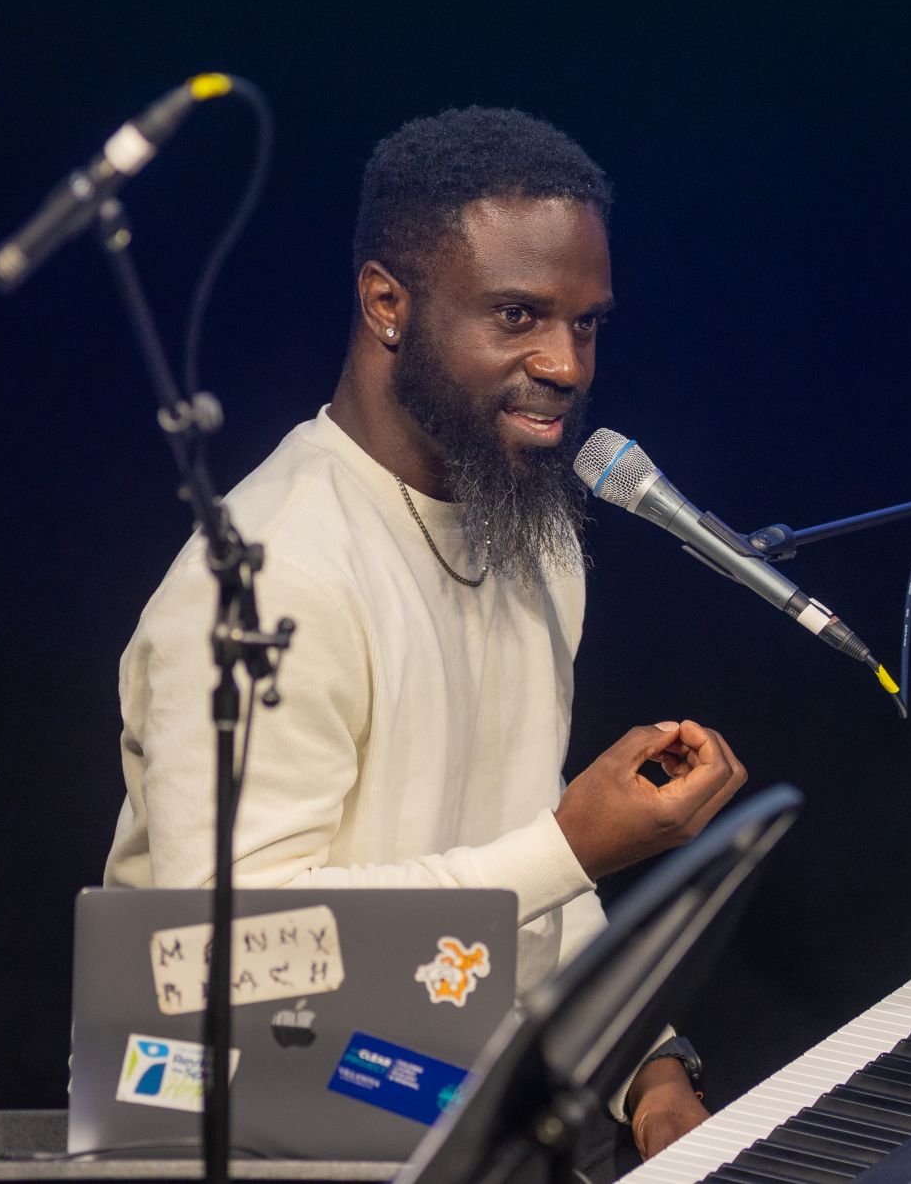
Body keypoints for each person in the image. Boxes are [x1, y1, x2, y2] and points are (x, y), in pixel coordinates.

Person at [105, 106, 747, 1165]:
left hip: (432, 1123)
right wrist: (571, 845)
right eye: (516, 315)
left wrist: (651, 1075)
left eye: (586, 324)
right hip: (247, 1138)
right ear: (386, 304)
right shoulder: (273, 579)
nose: (566, 363)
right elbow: (214, 958)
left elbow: (521, 904)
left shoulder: (532, 538)